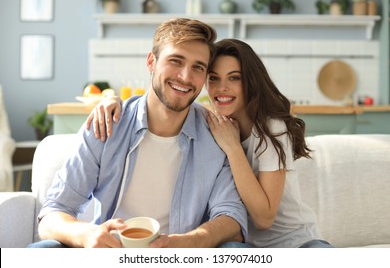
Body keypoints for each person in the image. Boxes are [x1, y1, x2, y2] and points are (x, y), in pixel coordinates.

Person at [88, 38, 333, 248]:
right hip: (241, 246)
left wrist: (233, 148)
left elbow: (264, 218)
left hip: (297, 244)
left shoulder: (271, 129)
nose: (222, 88)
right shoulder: (212, 123)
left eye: (234, 78)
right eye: (214, 78)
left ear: (251, 81)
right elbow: (165, 105)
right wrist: (115, 102)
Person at [30, 19, 248, 248]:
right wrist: (85, 235)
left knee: (238, 251)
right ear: (151, 62)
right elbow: (52, 214)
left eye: (198, 67)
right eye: (176, 61)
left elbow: (232, 217)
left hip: (180, 256)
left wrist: (187, 242)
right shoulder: (107, 123)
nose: (185, 77)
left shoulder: (215, 134)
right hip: (111, 253)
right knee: (42, 250)